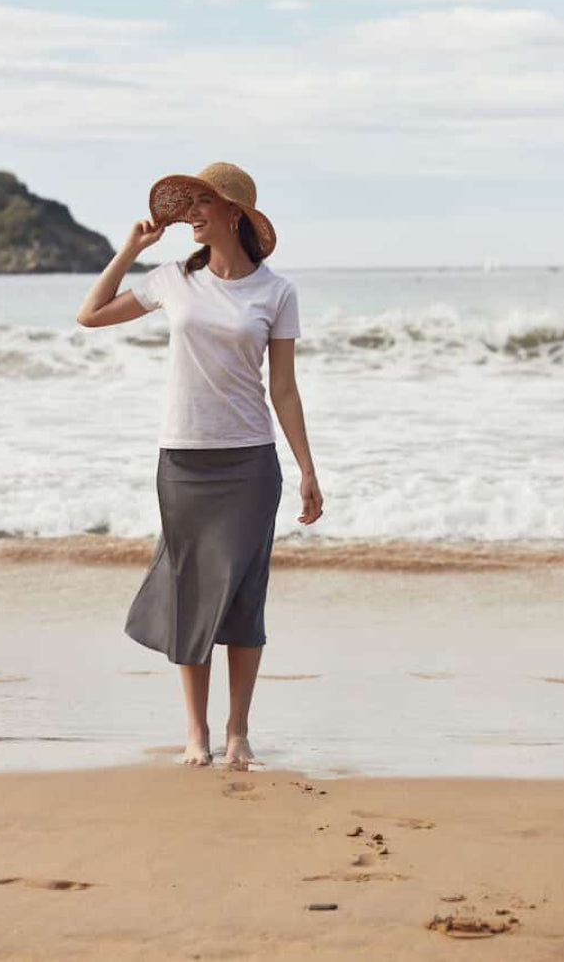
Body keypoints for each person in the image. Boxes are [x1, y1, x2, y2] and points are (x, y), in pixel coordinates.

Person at [76, 162, 323, 770]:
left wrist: (307, 469)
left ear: (233, 214)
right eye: (187, 205)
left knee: (243, 596)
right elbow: (91, 314)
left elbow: (283, 390)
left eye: (202, 205)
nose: (191, 215)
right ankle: (196, 732)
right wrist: (130, 249)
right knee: (190, 593)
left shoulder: (276, 292)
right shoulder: (169, 280)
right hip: (183, 459)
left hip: (250, 464)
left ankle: (238, 732)